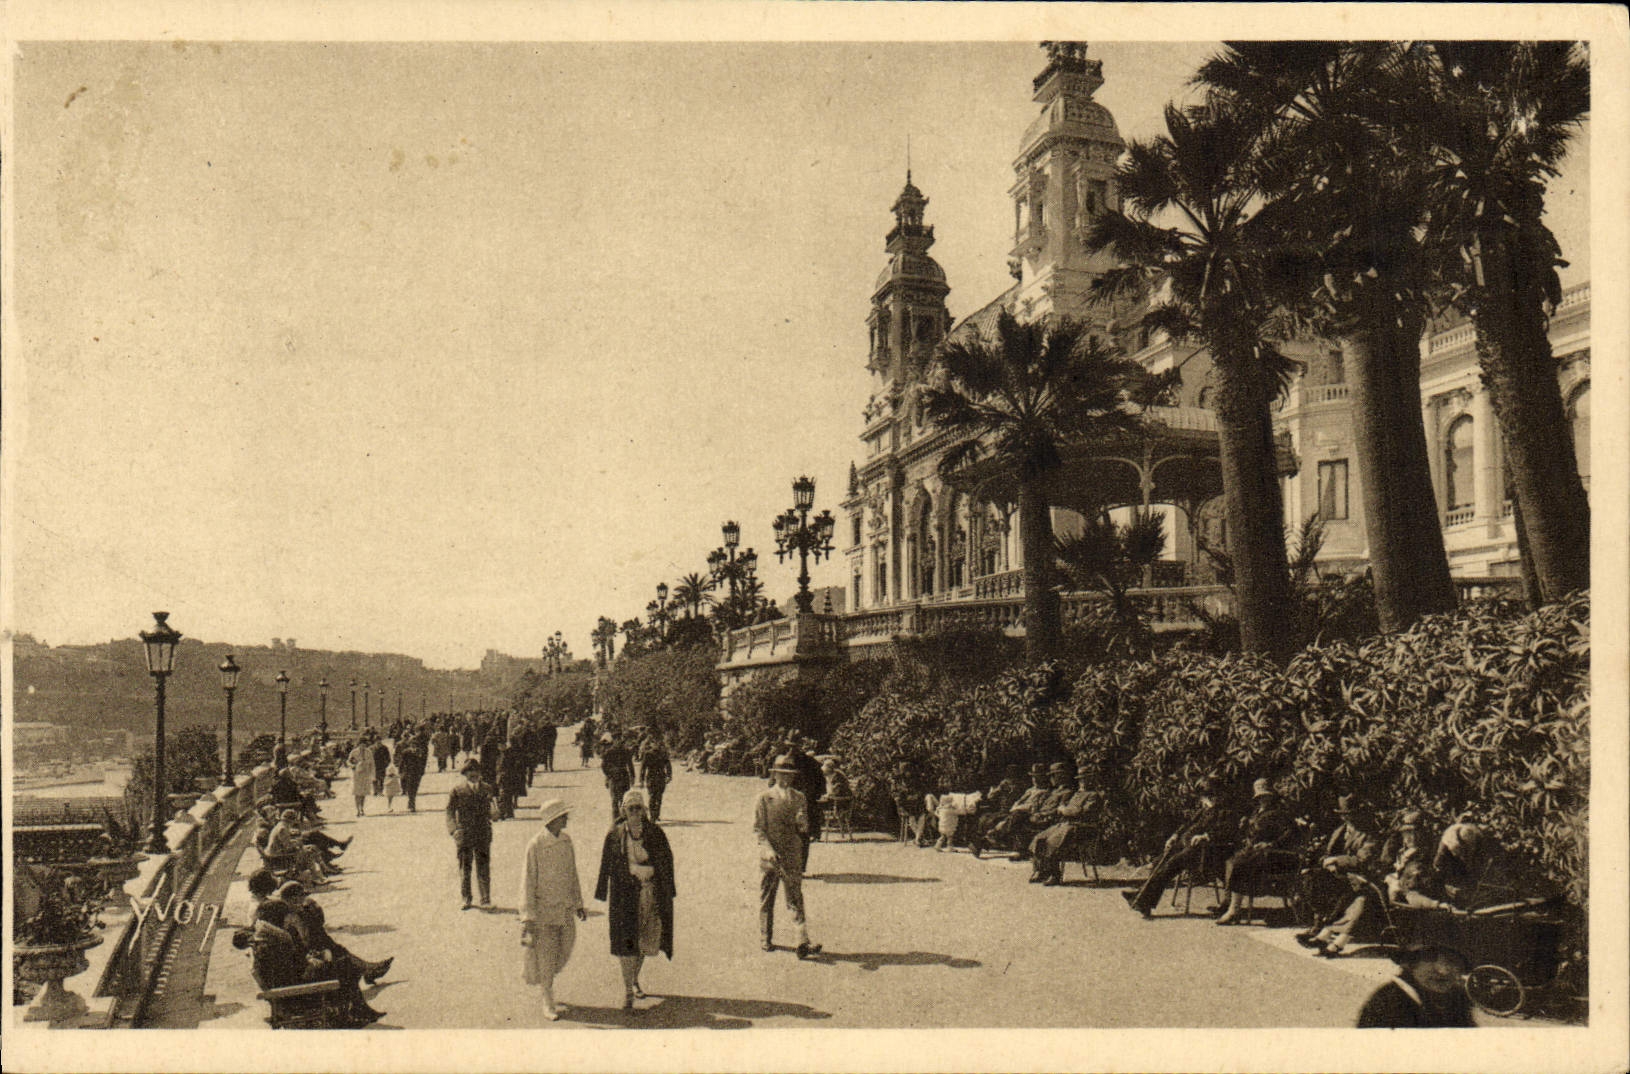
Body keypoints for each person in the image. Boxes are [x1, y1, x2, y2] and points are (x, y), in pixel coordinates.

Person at [239, 897, 384, 1027]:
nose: (288, 921)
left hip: (290, 989)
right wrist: (315, 963)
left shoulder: (268, 937)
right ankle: (355, 1012)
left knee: (339, 962)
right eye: (286, 918)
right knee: (343, 965)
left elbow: (292, 965)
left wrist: (311, 959)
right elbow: (292, 971)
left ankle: (358, 1010)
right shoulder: (274, 942)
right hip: (295, 996)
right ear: (277, 918)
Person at [594, 789, 676, 1012]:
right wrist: (604, 890)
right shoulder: (615, 834)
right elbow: (606, 864)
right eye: (631, 809)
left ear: (644, 810)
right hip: (624, 898)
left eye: (638, 808)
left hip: (649, 895)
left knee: (645, 941)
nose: (635, 813)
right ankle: (628, 990)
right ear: (624, 810)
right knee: (625, 944)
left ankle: (634, 979)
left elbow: (667, 863)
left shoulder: (655, 833)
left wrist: (663, 885)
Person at [519, 798, 586, 1021]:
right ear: (553, 820)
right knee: (547, 956)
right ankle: (547, 1000)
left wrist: (579, 903)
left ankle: (546, 982)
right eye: (563, 816)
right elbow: (527, 881)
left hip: (565, 908)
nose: (567, 819)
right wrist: (527, 917)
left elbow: (572, 873)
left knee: (565, 949)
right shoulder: (535, 845)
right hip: (544, 911)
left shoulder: (567, 841)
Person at [1123, 779, 1231, 917]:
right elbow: (1187, 824)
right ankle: (1143, 900)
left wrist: (1206, 836)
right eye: (1205, 796)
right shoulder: (1204, 810)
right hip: (1186, 846)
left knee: (1171, 864)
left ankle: (1142, 898)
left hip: (1205, 852)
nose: (1207, 800)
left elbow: (1227, 832)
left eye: (1210, 795)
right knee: (1159, 861)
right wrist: (1174, 835)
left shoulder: (1225, 811)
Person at [754, 754, 821, 959]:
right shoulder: (764, 798)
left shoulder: (800, 798)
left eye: (790, 775)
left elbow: (804, 828)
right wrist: (768, 850)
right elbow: (758, 830)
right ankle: (766, 938)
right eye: (782, 774)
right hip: (771, 855)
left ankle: (802, 941)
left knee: (795, 897)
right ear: (774, 775)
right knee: (768, 896)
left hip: (792, 853)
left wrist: (802, 823)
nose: (786, 779)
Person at [1216, 779, 1300, 925]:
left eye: (1266, 796)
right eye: (1260, 797)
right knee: (1230, 860)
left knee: (1238, 864)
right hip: (1255, 852)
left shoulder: (1280, 812)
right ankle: (1230, 903)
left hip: (1273, 855)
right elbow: (1252, 833)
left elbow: (1292, 833)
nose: (1263, 799)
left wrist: (1271, 844)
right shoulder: (1256, 812)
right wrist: (1244, 825)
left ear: (1272, 796)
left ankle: (1233, 910)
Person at [276, 881, 394, 984]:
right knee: (327, 943)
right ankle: (367, 969)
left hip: (309, 951)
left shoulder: (292, 912)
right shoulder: (289, 917)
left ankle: (367, 968)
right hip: (303, 959)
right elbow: (303, 940)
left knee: (326, 941)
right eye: (301, 897)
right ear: (293, 899)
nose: (303, 901)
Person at [1356, 943, 1476, 1027]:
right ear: (1410, 963)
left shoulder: (1458, 1002)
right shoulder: (1390, 1003)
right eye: (1430, 958)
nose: (1443, 970)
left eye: (1452, 961)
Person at [1028, 764, 1102, 885]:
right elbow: (1063, 808)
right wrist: (1064, 810)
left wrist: (1065, 810)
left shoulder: (1093, 795)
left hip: (1083, 827)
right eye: (1081, 779)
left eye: (1085, 779)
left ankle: (1054, 874)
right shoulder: (1077, 794)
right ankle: (1041, 870)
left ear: (1091, 780)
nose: (1082, 782)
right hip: (1067, 823)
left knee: (1052, 841)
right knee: (1040, 838)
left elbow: (1081, 812)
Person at [446, 758, 495, 909]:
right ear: (465, 774)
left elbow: (493, 808)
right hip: (464, 833)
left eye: (476, 772)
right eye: (469, 773)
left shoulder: (487, 789)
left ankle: (485, 899)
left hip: (482, 833)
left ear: (480, 773)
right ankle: (466, 898)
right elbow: (449, 811)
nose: (473, 775)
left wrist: (495, 813)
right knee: (465, 867)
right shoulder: (457, 790)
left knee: (483, 866)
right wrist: (453, 830)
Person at [638, 735, 673, 822]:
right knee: (652, 797)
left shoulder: (663, 754)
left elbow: (668, 765)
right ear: (651, 744)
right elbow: (643, 768)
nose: (656, 744)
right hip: (651, 777)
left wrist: (669, 776)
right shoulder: (647, 754)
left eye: (657, 742)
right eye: (653, 742)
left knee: (659, 797)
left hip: (661, 777)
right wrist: (641, 780)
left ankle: (657, 814)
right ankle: (652, 816)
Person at [600, 735, 636, 820]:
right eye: (616, 740)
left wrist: (632, 776)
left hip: (624, 777)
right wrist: (609, 775)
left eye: (619, 739)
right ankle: (616, 820)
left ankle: (624, 819)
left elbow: (630, 764)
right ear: (614, 741)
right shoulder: (609, 752)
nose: (618, 741)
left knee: (624, 799)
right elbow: (603, 765)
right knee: (615, 800)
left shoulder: (626, 751)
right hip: (614, 778)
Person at [397, 735, 427, 813]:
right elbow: (402, 762)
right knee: (410, 788)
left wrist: (422, 771)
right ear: (410, 745)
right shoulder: (405, 752)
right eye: (412, 745)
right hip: (408, 772)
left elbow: (423, 762)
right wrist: (400, 771)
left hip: (417, 773)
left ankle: (411, 801)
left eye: (415, 745)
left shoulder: (420, 752)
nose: (414, 747)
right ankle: (412, 803)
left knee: (415, 788)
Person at [346, 739, 375, 818]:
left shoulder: (368, 752)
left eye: (364, 744)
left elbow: (372, 763)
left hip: (365, 774)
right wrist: (353, 766)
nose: (363, 746)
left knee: (363, 793)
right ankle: (357, 810)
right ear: (359, 744)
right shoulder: (354, 752)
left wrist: (372, 774)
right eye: (361, 744)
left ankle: (362, 808)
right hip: (357, 774)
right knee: (357, 792)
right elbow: (348, 761)